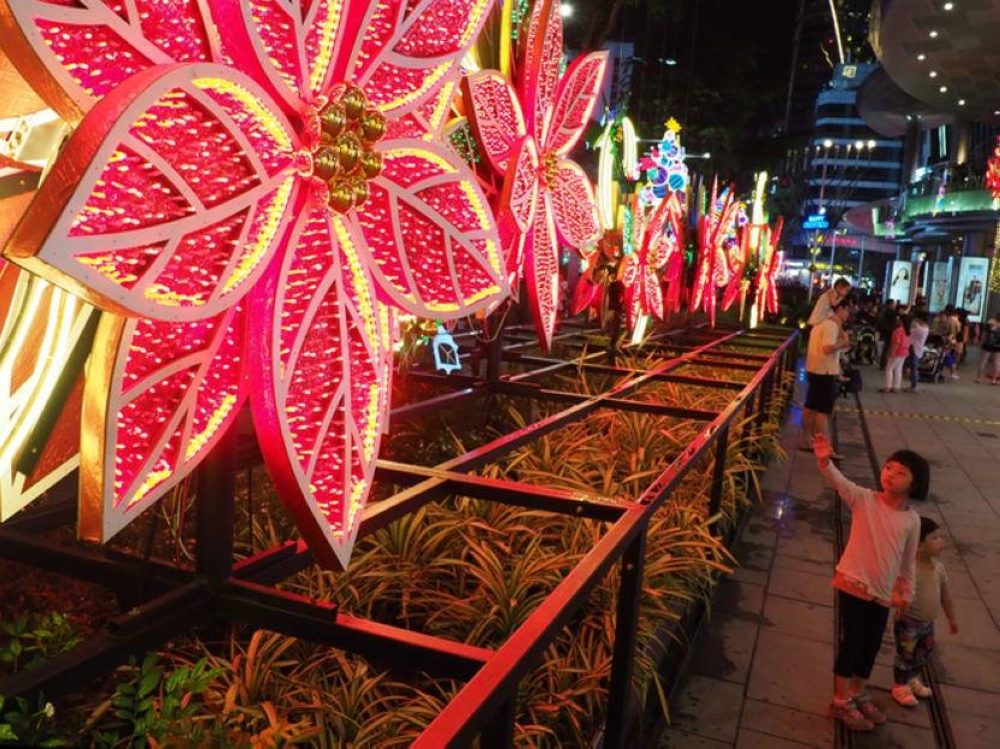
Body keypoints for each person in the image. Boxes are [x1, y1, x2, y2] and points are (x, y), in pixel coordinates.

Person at [813, 433, 928, 732]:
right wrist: (824, 461)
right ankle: (840, 701)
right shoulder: (864, 499)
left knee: (871, 644)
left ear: (914, 484)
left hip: (882, 592)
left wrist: (907, 593)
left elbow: (907, 561)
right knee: (852, 641)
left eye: (901, 473)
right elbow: (840, 483)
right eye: (889, 467)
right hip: (853, 583)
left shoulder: (912, 520)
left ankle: (858, 693)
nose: (891, 474)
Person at [891, 517, 958, 707]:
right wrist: (898, 600)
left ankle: (912, 678)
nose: (941, 541)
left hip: (928, 624)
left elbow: (945, 596)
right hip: (908, 622)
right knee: (906, 655)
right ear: (919, 545)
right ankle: (900, 685)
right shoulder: (909, 568)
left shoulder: (939, 568)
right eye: (934, 538)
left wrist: (951, 618)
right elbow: (895, 589)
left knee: (923, 654)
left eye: (940, 537)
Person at [801, 298, 852, 451]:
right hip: (824, 372)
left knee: (811, 406)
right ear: (840, 309)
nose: (848, 314)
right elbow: (827, 348)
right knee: (823, 410)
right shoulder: (831, 326)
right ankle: (823, 446)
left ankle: (807, 440)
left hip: (815, 369)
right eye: (848, 310)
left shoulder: (821, 322)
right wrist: (843, 342)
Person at [880, 315, 909, 394]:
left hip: (897, 352)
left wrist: (891, 353)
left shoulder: (898, 331)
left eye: (898, 319)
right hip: (904, 352)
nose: (896, 320)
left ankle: (888, 386)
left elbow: (896, 343)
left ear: (901, 321)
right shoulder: (906, 331)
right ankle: (896, 387)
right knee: (898, 369)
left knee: (889, 368)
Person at [907, 311, 930, 392]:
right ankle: (913, 385)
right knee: (915, 366)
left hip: (913, 346)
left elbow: (910, 332)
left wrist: (913, 323)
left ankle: (914, 386)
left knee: (913, 367)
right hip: (920, 347)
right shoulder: (926, 327)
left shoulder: (916, 325)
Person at [976, 314, 1000, 384]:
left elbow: (984, 334)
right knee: (997, 363)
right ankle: (994, 380)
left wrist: (981, 342)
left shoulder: (990, 323)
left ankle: (978, 378)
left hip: (987, 345)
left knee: (983, 362)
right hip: (998, 347)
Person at [876, 300, 898, 370]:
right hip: (890, 331)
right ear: (890, 304)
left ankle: (883, 364)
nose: (894, 305)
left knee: (886, 348)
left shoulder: (884, 311)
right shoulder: (891, 312)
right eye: (893, 304)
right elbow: (895, 322)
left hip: (885, 331)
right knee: (888, 348)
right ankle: (885, 364)